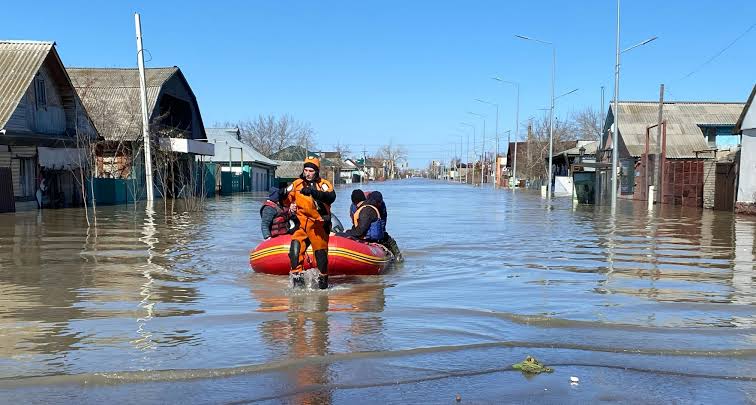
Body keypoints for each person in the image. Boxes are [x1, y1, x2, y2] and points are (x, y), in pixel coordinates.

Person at [283, 157, 336, 289]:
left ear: (316, 171)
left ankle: (323, 285)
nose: (307, 173)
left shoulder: (323, 184)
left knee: (321, 257)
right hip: (301, 224)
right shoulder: (297, 184)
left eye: (311, 171)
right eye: (305, 170)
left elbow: (331, 197)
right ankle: (297, 286)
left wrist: (313, 192)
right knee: (295, 251)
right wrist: (285, 200)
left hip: (318, 225)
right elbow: (285, 201)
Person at [347, 189, 403, 262]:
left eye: (380, 203)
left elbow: (382, 221)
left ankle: (397, 257)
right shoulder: (356, 206)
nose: (379, 204)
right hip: (361, 222)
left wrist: (380, 235)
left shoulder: (381, 205)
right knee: (360, 228)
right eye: (378, 203)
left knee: (385, 237)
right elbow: (355, 221)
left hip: (372, 221)